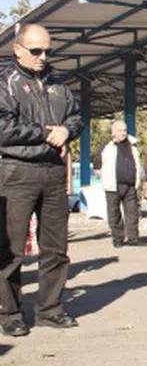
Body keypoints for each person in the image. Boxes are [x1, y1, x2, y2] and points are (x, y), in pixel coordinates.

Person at [0, 23, 84, 337]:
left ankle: (49, 309)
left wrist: (68, 130)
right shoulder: (5, 83)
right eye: (36, 51)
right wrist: (47, 133)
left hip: (53, 172)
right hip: (17, 171)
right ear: (18, 49)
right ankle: (9, 313)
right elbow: (3, 128)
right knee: (9, 248)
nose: (43, 56)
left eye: (48, 50)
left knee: (56, 246)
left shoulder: (58, 84)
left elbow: (76, 117)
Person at [100, 121, 142, 248]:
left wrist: (139, 179)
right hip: (113, 185)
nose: (123, 133)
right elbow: (102, 164)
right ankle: (118, 239)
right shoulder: (107, 148)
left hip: (130, 185)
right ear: (113, 132)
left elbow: (137, 164)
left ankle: (133, 238)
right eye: (120, 130)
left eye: (124, 130)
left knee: (132, 213)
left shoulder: (133, 146)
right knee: (114, 213)